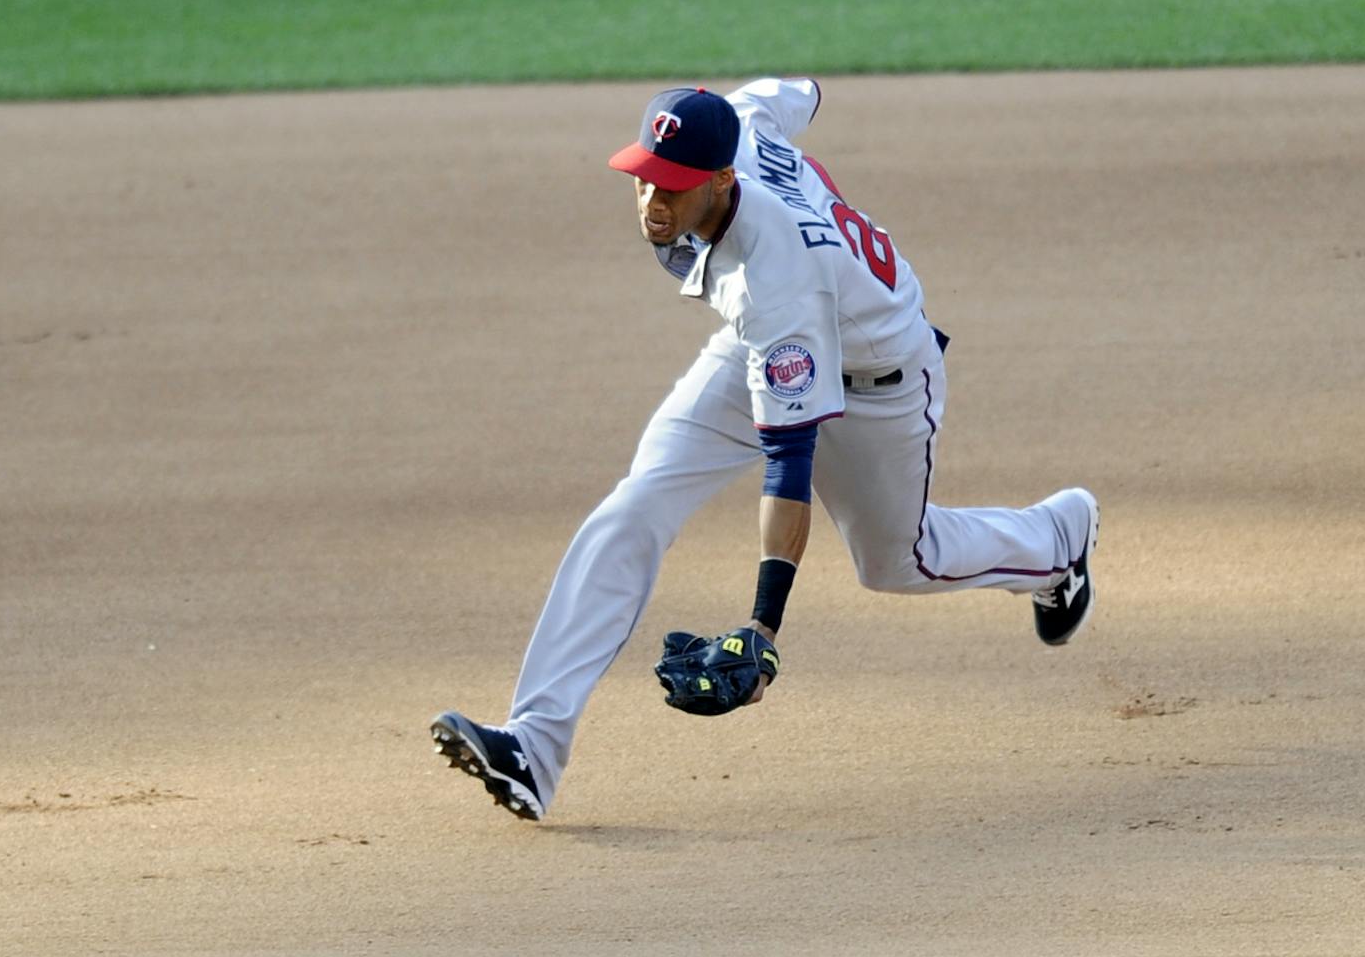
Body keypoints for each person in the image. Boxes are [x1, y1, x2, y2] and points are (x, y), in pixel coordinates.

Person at [431, 78, 1098, 821]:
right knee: (639, 500)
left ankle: (1055, 540)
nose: (654, 201)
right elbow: (795, 93)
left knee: (897, 562)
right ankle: (533, 744)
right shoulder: (738, 125)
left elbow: (789, 463)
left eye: (674, 189)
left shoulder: (772, 280)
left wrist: (763, 628)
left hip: (877, 383)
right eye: (646, 178)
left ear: (720, 182)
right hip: (769, 347)